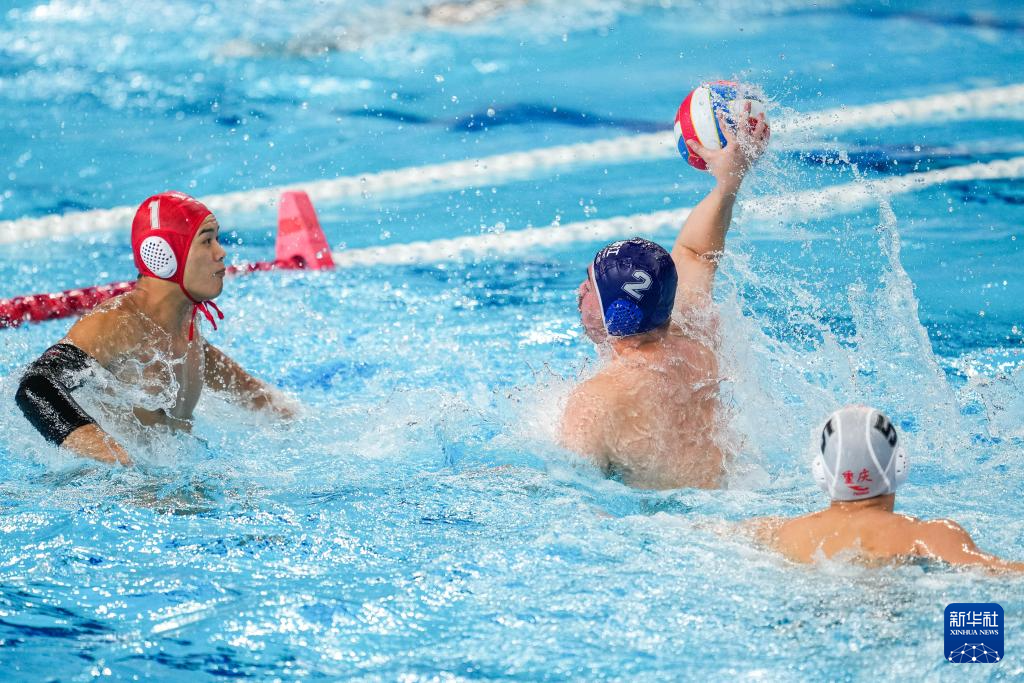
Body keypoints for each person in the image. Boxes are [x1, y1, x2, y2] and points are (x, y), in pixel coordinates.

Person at [560, 105, 769, 489]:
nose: (579, 291)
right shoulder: (694, 331)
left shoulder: (596, 400)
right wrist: (729, 184)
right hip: (730, 492)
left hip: (670, 517)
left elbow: (568, 489)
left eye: (589, 287)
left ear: (616, 315)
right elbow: (697, 252)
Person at [15, 191, 294, 466]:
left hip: (165, 478)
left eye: (217, 240)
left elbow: (204, 362)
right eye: (206, 241)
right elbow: (36, 387)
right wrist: (112, 456)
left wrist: (276, 408)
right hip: (112, 487)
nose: (221, 253)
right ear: (163, 254)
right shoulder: (118, 322)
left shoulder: (183, 323)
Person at [748, 405, 1024, 572]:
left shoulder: (778, 533)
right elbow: (1002, 574)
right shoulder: (927, 536)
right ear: (900, 465)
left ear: (821, 471)